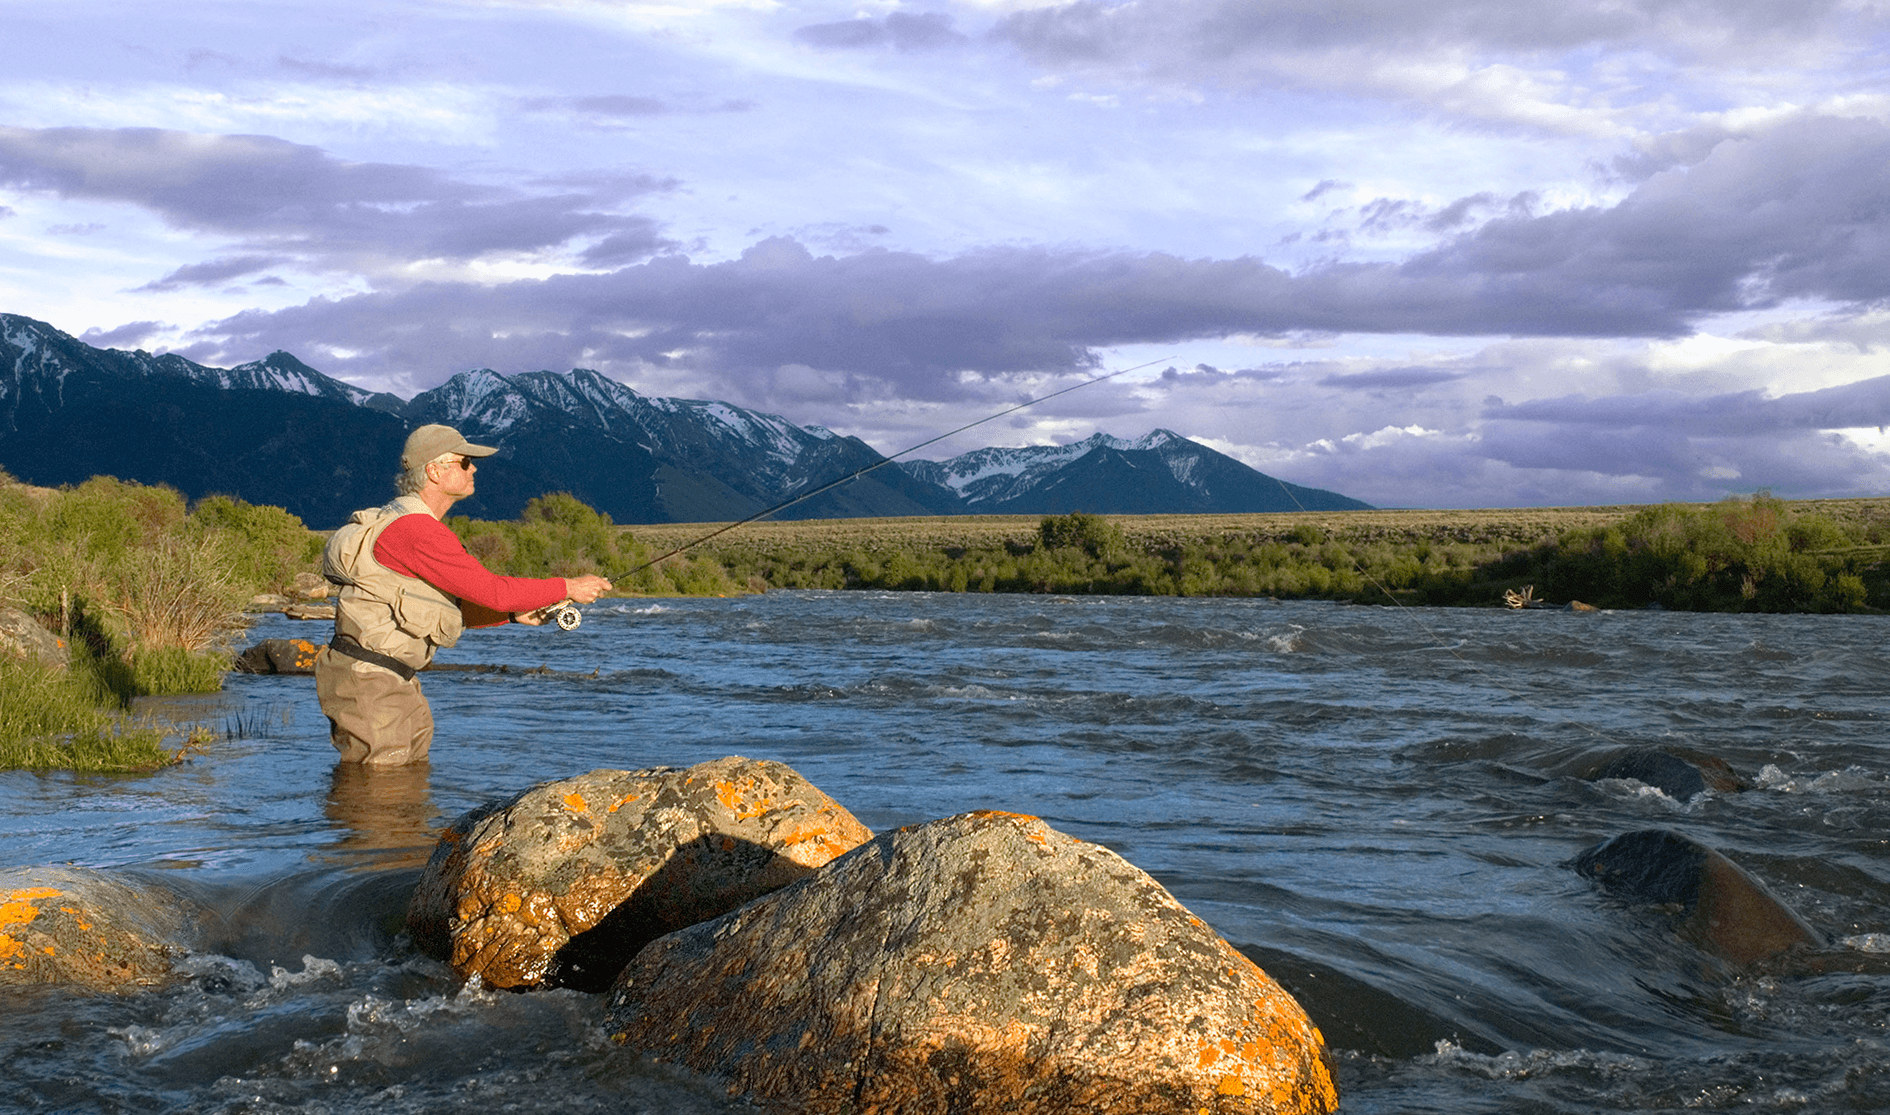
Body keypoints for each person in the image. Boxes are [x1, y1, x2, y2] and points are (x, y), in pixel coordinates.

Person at [314, 424, 612, 765]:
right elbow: (493, 590)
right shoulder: (415, 530)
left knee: (404, 787)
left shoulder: (411, 524)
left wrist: (513, 615)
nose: (475, 468)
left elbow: (442, 605)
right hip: (372, 681)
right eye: (466, 461)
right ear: (434, 471)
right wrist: (568, 587)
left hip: (390, 679)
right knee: (380, 793)